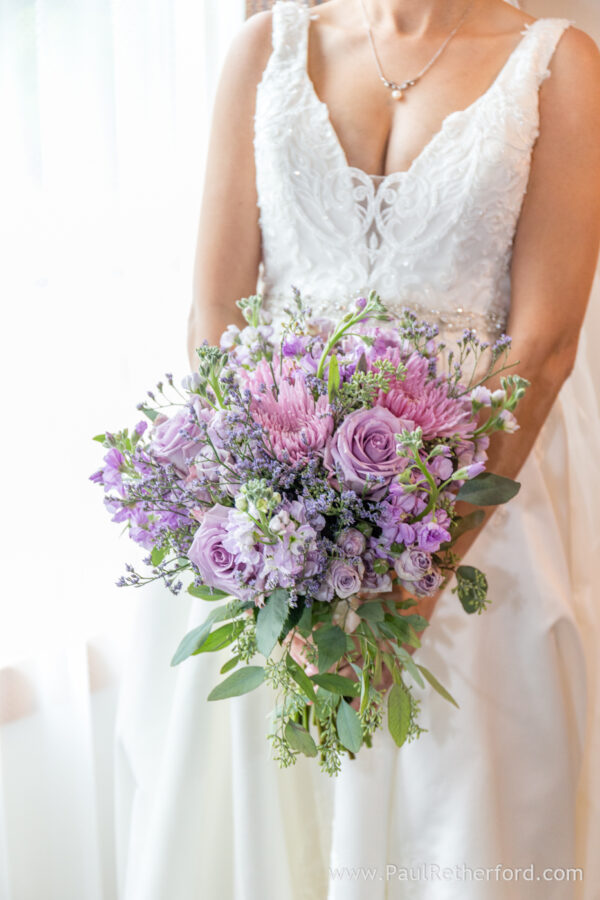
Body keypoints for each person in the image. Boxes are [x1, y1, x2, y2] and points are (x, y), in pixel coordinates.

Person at [116, 1, 600, 898]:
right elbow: (214, 312)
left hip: (478, 511)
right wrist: (268, 552)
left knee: (461, 833)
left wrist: (423, 576)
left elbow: (545, 344)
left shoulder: (559, 64)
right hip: (276, 519)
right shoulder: (265, 47)